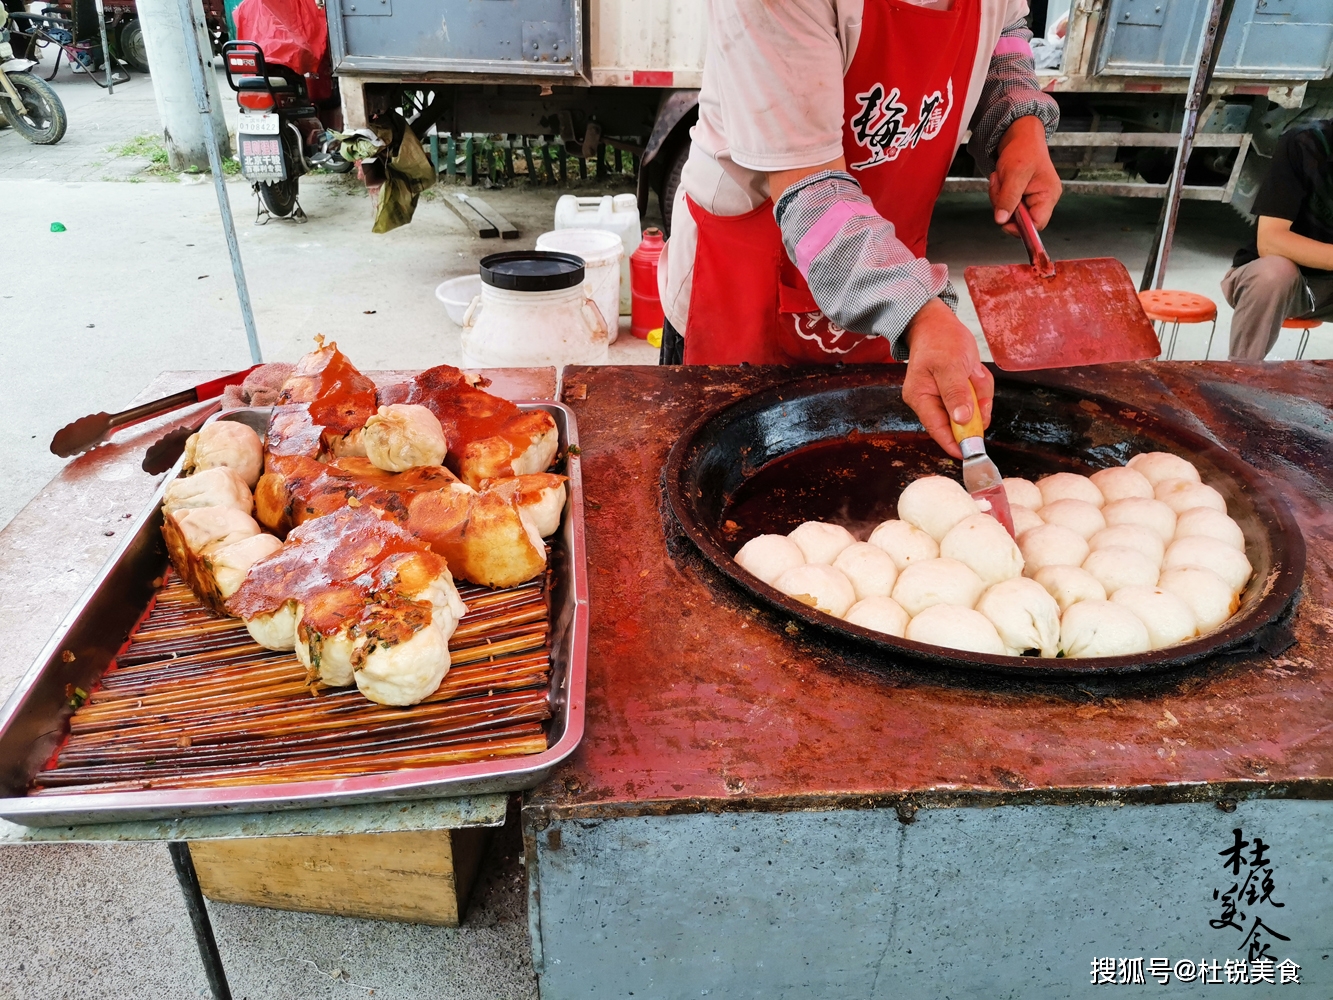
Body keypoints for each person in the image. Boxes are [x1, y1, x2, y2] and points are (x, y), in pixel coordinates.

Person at [656, 0, 1062, 457]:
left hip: (893, 266)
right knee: (724, 471)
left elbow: (1005, 30)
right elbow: (809, 189)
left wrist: (1018, 124)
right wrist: (919, 314)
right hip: (745, 273)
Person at [1224, 118, 1333, 360]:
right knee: (1274, 272)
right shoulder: (1304, 144)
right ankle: (1241, 380)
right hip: (1284, 287)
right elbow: (1271, 241)